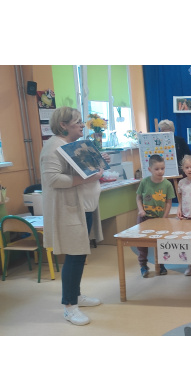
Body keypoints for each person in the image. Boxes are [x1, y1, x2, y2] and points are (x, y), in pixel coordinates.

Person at [41, 106, 108, 326]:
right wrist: (88, 179)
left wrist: (98, 161)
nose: (82, 125)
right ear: (63, 125)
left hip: (83, 208)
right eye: (77, 121)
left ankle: (76, 296)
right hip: (68, 210)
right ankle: (70, 306)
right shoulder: (53, 147)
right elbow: (53, 179)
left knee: (79, 255)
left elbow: (80, 168)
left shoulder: (72, 145)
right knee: (75, 255)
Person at [136, 154, 175, 278]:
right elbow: (138, 197)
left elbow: (168, 202)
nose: (160, 171)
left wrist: (164, 217)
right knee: (142, 243)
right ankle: (143, 265)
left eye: (162, 168)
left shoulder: (167, 184)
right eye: (157, 169)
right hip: (144, 218)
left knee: (161, 242)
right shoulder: (144, 182)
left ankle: (161, 265)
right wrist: (141, 210)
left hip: (159, 219)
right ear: (150, 169)